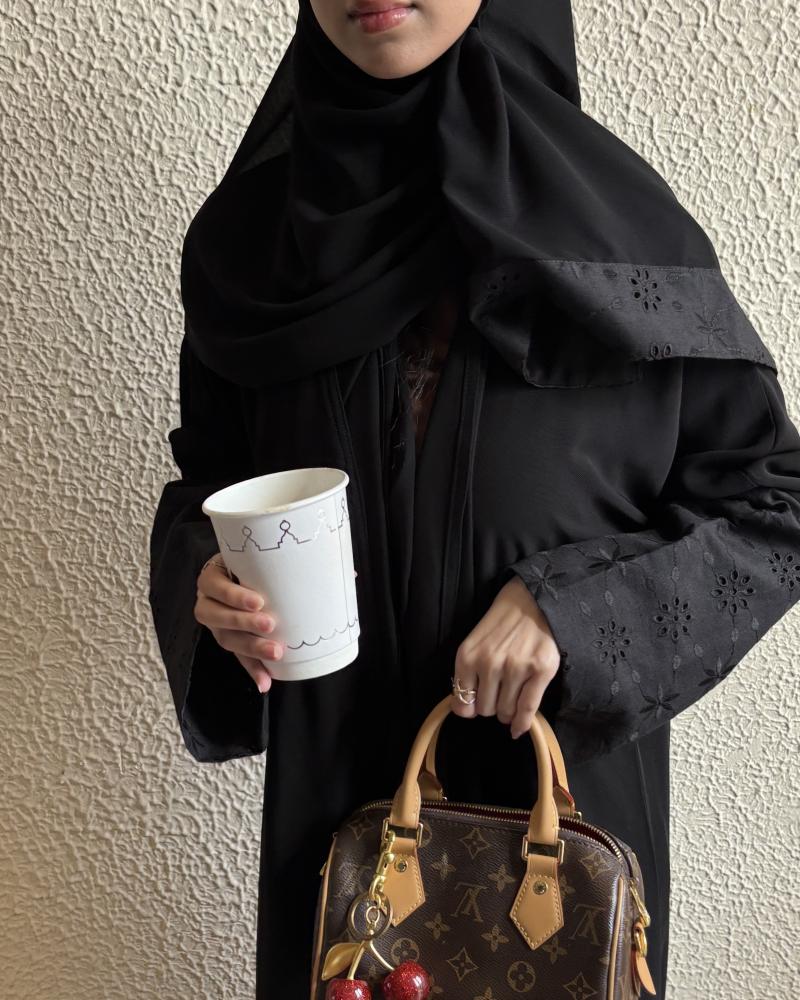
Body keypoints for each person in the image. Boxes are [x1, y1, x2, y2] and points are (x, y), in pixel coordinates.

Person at [147, 0, 800, 996]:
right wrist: (209, 580)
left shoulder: (618, 232)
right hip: (337, 844)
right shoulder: (251, 247)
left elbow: (775, 502)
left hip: (555, 845)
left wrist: (572, 611)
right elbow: (210, 479)